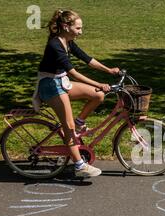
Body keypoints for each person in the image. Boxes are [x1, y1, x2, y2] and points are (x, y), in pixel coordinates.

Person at [32, 9, 120, 178]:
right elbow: (73, 73)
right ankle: (79, 165)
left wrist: (109, 70)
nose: (81, 32)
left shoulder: (68, 41)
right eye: (78, 28)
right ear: (66, 26)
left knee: (98, 95)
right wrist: (100, 84)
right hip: (50, 85)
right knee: (69, 127)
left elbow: (87, 59)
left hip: (60, 81)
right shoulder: (55, 45)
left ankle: (80, 122)